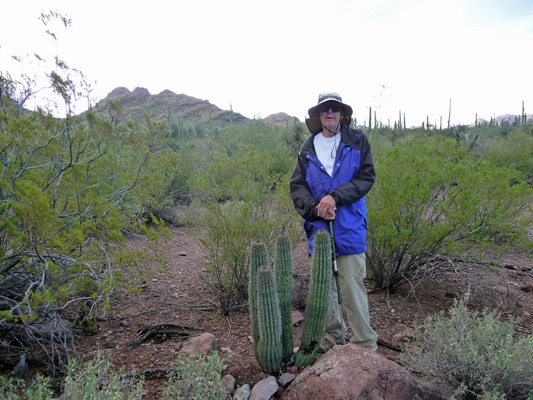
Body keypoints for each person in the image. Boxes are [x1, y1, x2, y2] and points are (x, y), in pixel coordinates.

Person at [289, 92, 378, 352]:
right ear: (318, 115)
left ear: (341, 113)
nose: (330, 112)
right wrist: (317, 209)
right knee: (325, 289)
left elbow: (366, 177)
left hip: (349, 225)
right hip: (320, 229)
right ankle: (332, 340)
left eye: (335, 108)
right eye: (325, 109)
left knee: (351, 286)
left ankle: (364, 345)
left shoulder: (357, 141)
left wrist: (334, 198)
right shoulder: (307, 149)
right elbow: (297, 188)